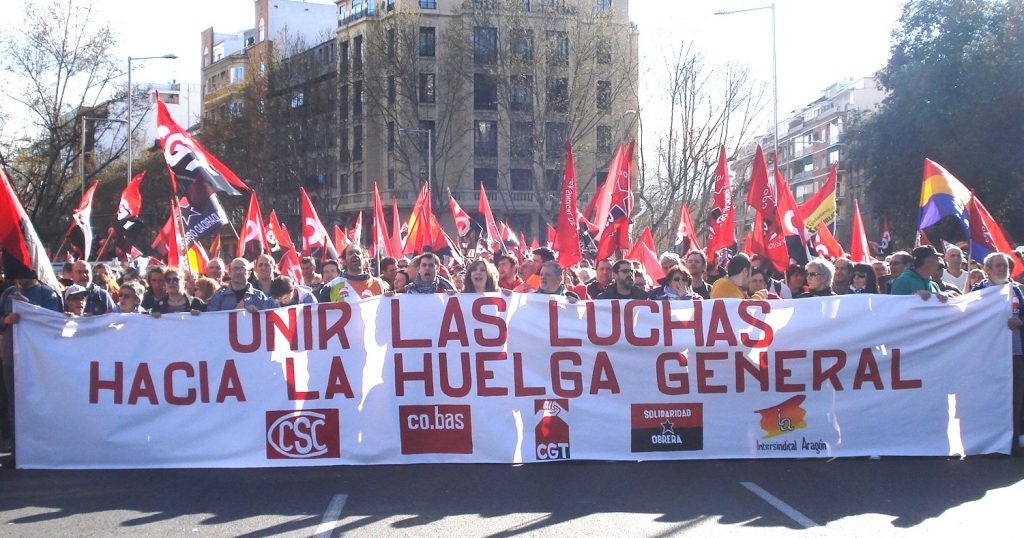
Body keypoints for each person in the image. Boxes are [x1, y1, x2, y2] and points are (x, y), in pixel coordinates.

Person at [0, 264, 62, 458]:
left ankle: (42, 447)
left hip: (38, 361)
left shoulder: (47, 293)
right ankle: (18, 449)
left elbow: (53, 320)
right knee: (14, 403)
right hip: (11, 357)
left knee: (39, 401)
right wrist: (5, 320)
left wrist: (27, 306)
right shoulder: (8, 293)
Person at [970, 252, 1024, 454]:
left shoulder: (1018, 291)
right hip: (987, 356)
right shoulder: (978, 292)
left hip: (1015, 354)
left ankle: (1012, 438)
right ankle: (989, 439)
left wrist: (1020, 323)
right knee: (990, 395)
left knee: (1016, 397)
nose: (1002, 269)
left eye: (1005, 266)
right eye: (998, 266)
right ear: (987, 270)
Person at [321, 244, 388, 302]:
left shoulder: (378, 285)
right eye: (350, 253)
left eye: (358, 252)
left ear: (364, 260)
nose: (355, 254)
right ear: (344, 261)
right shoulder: (330, 287)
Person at [207, 258, 277, 312]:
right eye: (235, 268)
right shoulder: (219, 296)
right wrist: (236, 311)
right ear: (230, 272)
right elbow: (211, 319)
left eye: (242, 269)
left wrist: (258, 312)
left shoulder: (259, 297)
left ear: (249, 273)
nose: (238, 272)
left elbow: (269, 318)